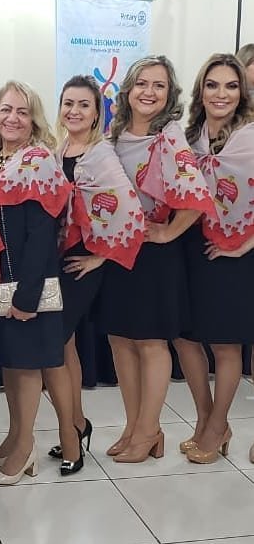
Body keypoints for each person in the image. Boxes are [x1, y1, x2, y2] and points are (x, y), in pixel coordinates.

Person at [96, 55, 215, 463]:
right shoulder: (112, 138)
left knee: (150, 342)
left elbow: (197, 197)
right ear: (127, 90)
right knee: (119, 340)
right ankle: (135, 427)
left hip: (155, 255)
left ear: (169, 94)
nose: (149, 92)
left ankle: (148, 430)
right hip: (119, 252)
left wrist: (167, 232)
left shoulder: (169, 137)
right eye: (142, 83)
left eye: (159, 85)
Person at [0, 81, 75, 482]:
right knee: (11, 363)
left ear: (34, 119)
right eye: (6, 110)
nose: (12, 118)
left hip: (27, 281)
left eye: (22, 111)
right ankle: (15, 436)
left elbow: (41, 235)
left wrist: (28, 296)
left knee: (28, 365)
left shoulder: (38, 160)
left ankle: (26, 445)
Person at [46, 75, 144, 462]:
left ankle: (72, 429)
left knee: (56, 339)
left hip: (82, 260)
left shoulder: (101, 154)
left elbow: (130, 208)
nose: (74, 111)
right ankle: (76, 423)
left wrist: (100, 256)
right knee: (64, 341)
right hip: (58, 257)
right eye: (68, 103)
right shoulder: (59, 150)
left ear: (97, 112)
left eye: (83, 104)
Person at [175, 54, 254, 464]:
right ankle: (207, 419)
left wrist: (244, 245)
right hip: (191, 245)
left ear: (242, 93)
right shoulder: (189, 137)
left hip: (232, 251)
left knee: (225, 344)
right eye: (212, 84)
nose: (221, 94)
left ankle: (218, 423)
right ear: (200, 90)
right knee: (184, 337)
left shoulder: (250, 137)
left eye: (231, 85)